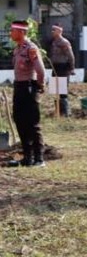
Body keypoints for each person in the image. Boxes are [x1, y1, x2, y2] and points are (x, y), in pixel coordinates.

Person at [7, 20, 46, 167]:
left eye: (13, 31)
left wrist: (40, 85)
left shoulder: (31, 48)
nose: (11, 33)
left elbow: (40, 71)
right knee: (20, 121)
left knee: (32, 123)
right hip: (19, 87)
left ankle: (39, 159)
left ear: (21, 32)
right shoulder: (17, 49)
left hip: (29, 87)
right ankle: (27, 157)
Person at [48, 24, 75, 116]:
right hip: (55, 67)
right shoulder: (53, 42)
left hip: (63, 67)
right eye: (52, 30)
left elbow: (71, 56)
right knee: (55, 90)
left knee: (62, 91)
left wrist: (72, 68)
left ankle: (65, 112)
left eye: (54, 30)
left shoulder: (64, 42)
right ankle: (58, 111)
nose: (52, 32)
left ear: (60, 31)